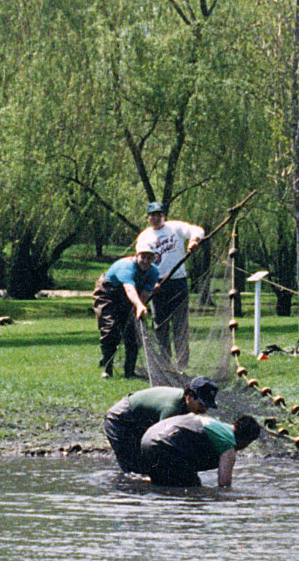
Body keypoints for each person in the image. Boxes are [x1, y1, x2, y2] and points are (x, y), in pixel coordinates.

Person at [134, 201, 205, 368]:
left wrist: (193, 240)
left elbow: (198, 230)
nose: (156, 218)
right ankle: (165, 364)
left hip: (178, 282)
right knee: (160, 326)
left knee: (180, 325)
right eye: (153, 215)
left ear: (163, 216)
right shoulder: (144, 237)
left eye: (159, 214)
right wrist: (149, 283)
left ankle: (182, 365)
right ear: (147, 218)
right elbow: (141, 263)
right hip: (156, 284)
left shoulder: (175, 227)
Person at [104, 376, 221, 475]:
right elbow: (161, 443)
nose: (204, 410)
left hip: (139, 421)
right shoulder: (172, 408)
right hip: (119, 420)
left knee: (146, 467)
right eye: (201, 405)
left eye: (207, 406)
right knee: (134, 471)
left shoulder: (186, 405)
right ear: (189, 396)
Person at [138, 412, 261, 488]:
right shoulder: (228, 444)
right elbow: (224, 485)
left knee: (162, 486)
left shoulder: (217, 425)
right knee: (194, 489)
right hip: (165, 445)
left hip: (147, 439)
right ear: (247, 441)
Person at [93, 245, 160, 379]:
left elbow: (146, 292)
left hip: (130, 297)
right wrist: (139, 305)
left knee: (132, 331)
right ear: (136, 255)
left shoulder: (154, 272)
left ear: (154, 258)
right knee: (110, 328)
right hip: (108, 294)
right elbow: (129, 289)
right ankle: (107, 369)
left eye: (150, 257)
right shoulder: (126, 267)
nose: (146, 261)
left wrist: (139, 306)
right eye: (143, 256)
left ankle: (130, 372)